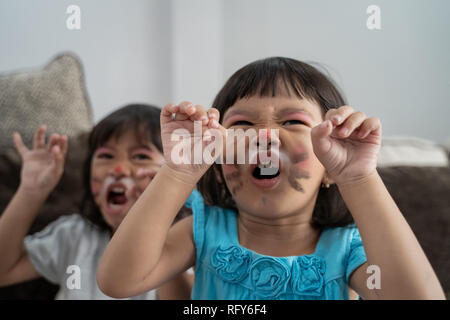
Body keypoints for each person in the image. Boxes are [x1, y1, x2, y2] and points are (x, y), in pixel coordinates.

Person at [97, 58, 445, 299]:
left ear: (328, 170)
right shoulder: (204, 231)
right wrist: (178, 171)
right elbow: (118, 281)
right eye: (242, 126)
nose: (265, 135)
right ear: (219, 164)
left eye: (292, 122)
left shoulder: (345, 250)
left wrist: (357, 178)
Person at [0, 104, 193, 299]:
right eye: (106, 156)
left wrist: (161, 209)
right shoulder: (74, 236)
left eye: (140, 157)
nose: (119, 169)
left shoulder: (185, 240)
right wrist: (31, 191)